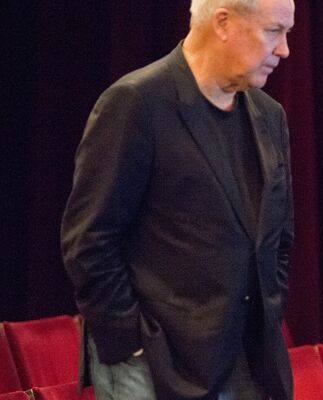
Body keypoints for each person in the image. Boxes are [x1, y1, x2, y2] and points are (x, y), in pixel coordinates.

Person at [60, 0, 295, 399]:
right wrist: (132, 343)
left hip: (248, 361)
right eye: (273, 30)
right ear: (223, 22)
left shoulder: (269, 116)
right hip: (153, 362)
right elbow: (89, 240)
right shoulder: (137, 103)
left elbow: (278, 238)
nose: (283, 49)